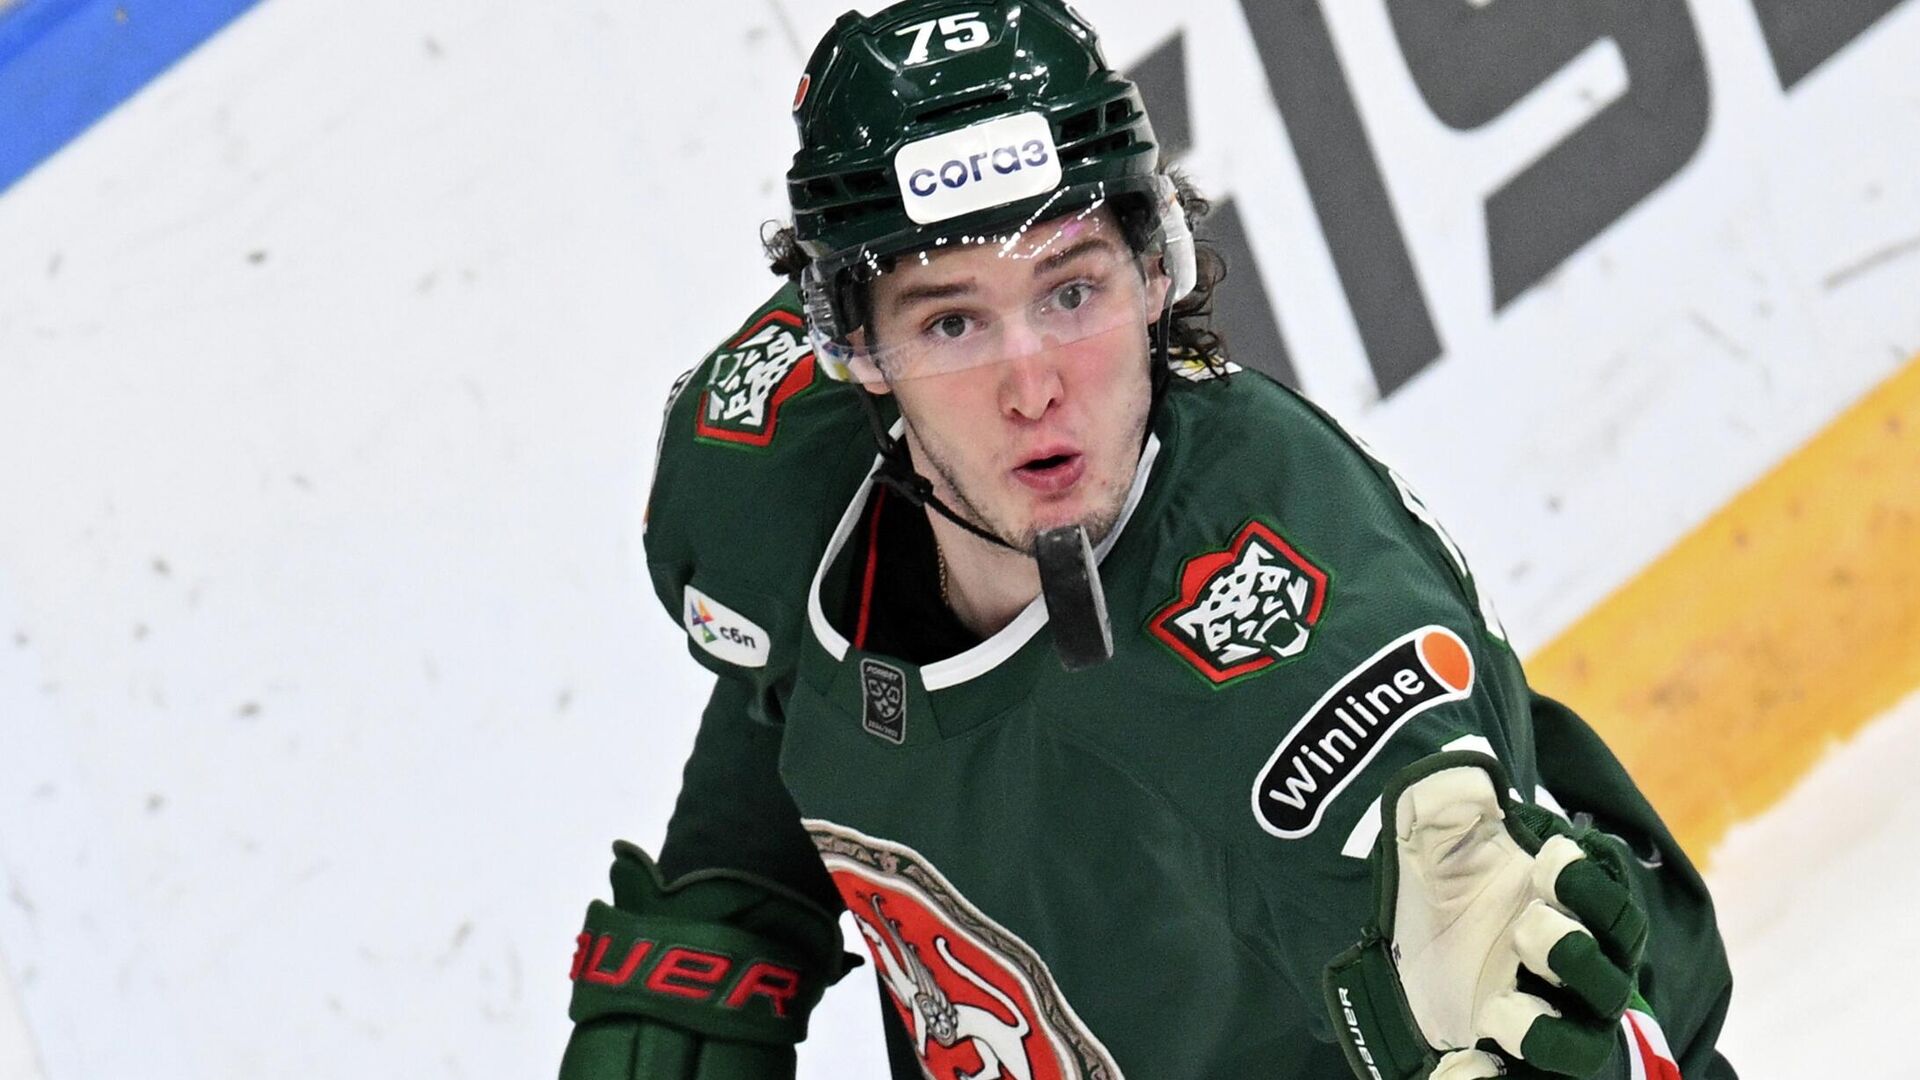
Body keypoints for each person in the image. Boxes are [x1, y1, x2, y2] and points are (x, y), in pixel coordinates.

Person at [559, 2, 1737, 1078]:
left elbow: (1441, 872)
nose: (1033, 385)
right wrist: (723, 913)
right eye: (953, 321)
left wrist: (1483, 951)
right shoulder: (764, 479)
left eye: (1073, 292)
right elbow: (800, 679)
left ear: (1154, 272)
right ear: (851, 349)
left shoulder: (1286, 635)